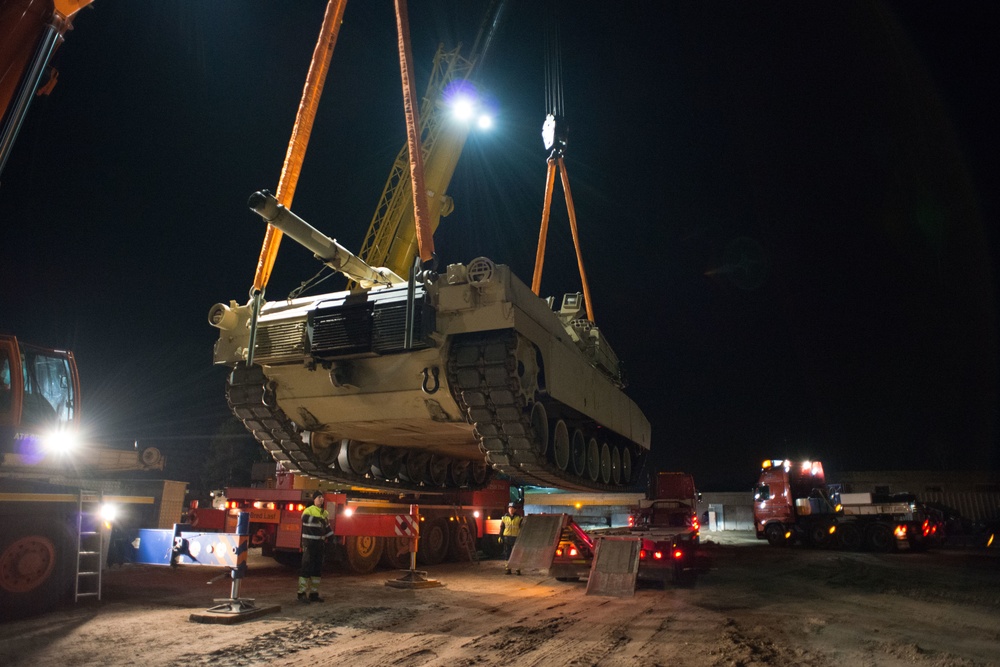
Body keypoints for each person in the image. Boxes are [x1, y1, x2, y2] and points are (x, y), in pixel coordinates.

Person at [298, 490, 333, 602]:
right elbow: (304, 518)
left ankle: (314, 593)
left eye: (322, 497)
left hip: (319, 545)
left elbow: (327, 527)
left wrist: (332, 539)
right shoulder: (309, 510)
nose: (321, 499)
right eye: (319, 497)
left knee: (317, 569)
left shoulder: (325, 513)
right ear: (314, 499)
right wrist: (318, 520)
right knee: (306, 568)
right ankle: (301, 593)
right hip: (309, 544)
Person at [499, 502, 523, 575]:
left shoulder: (519, 518)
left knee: (516, 554)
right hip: (507, 537)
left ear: (515, 509)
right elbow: (502, 527)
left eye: (512, 508)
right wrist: (500, 536)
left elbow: (522, 528)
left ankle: (517, 569)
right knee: (507, 553)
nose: (511, 510)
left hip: (516, 537)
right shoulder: (504, 518)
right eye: (509, 508)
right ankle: (508, 568)